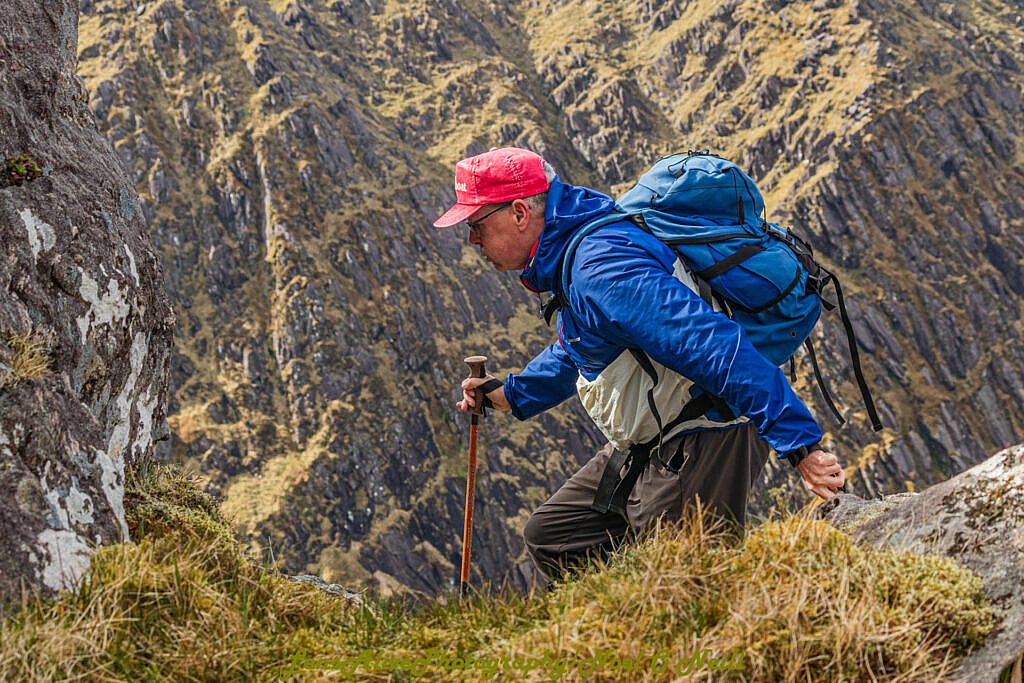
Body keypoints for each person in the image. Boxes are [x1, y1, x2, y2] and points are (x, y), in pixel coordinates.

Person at [434, 147, 846, 585]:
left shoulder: (602, 269)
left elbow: (715, 346)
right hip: (658, 429)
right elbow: (585, 345)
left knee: (684, 586)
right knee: (554, 536)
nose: (473, 241)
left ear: (519, 212)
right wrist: (510, 395)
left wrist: (800, 446)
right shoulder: (573, 253)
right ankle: (624, 630)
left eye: (477, 226)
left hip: (706, 429)